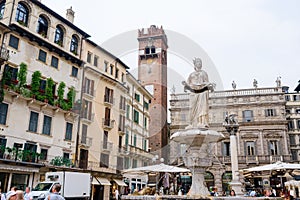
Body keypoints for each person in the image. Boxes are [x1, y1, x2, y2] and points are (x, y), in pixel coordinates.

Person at [182, 58, 214, 128]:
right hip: (193, 93)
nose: (199, 63)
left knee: (202, 107)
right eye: (198, 62)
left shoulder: (204, 73)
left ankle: (202, 122)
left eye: (200, 62)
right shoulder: (191, 75)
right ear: (195, 64)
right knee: (192, 108)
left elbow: (207, 82)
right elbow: (188, 84)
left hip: (202, 92)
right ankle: (192, 124)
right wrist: (185, 84)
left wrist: (210, 86)